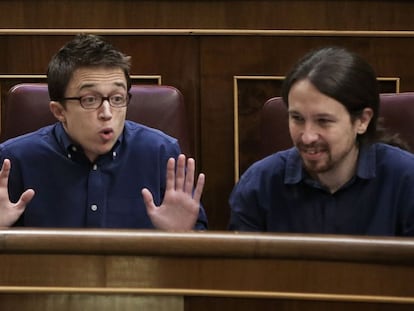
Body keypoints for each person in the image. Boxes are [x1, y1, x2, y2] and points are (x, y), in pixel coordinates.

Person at [0, 34, 207, 230]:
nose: (107, 113)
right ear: (59, 111)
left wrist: (181, 236)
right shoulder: (15, 160)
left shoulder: (161, 153)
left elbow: (202, 255)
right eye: (90, 99)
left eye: (117, 98)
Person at [228, 46, 414, 236]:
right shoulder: (259, 184)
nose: (307, 137)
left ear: (362, 121)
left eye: (323, 121)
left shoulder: (407, 181)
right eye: (297, 118)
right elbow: (240, 265)